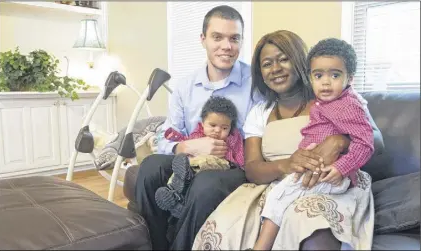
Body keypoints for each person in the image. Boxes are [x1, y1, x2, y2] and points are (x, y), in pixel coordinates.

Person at [192, 30, 383, 250]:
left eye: (284, 59)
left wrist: (339, 141)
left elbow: (376, 141)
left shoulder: (333, 97)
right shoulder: (260, 112)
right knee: (226, 225)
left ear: (300, 62)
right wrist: (287, 164)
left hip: (331, 181)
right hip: (280, 184)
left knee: (306, 221)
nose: (275, 69)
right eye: (267, 64)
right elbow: (252, 170)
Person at [134, 5, 256, 250]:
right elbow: (163, 137)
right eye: (217, 37)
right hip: (190, 160)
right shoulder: (185, 87)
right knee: (149, 167)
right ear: (203, 40)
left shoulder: (255, 84)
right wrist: (188, 145)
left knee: (205, 184)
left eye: (234, 38)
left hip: (233, 163)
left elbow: (259, 137)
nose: (227, 46)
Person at [252, 38, 375, 250]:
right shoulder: (322, 102)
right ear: (311, 76)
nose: (326, 82)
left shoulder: (348, 104)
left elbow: (368, 141)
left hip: (330, 174)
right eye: (319, 75)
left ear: (350, 78)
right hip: (305, 171)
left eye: (335, 75)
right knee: (278, 198)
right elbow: (252, 167)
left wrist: (340, 158)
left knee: (282, 200)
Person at [155, 95, 244, 219]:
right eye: (212, 125)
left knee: (204, 160)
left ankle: (186, 176)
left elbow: (239, 155)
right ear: (202, 123)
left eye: (224, 128)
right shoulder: (197, 134)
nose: (218, 130)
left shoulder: (233, 138)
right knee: (180, 169)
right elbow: (188, 145)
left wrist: (238, 165)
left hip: (221, 166)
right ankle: (174, 195)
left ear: (230, 127)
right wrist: (179, 141)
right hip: (194, 167)